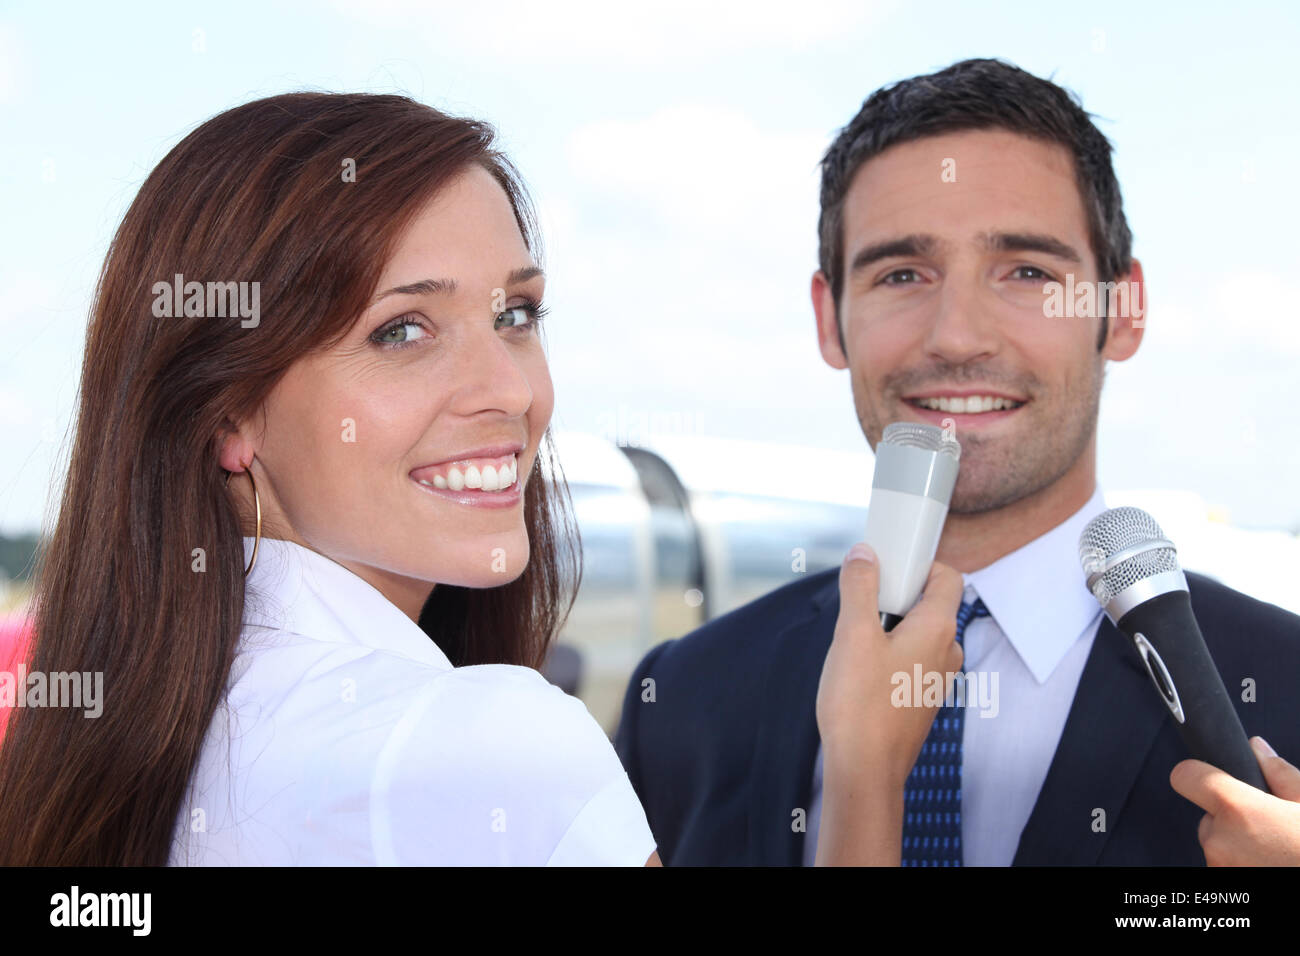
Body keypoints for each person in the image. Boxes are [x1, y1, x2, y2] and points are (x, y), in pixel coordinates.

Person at [0, 91, 962, 866]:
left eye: (517, 315)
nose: (510, 390)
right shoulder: (489, 746)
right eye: (402, 330)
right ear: (229, 416)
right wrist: (867, 771)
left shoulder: (145, 741)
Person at [615, 58, 1300, 866]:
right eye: (903, 274)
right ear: (829, 321)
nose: (957, 335)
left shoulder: (1285, 689)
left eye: (1027, 272)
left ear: (1121, 310)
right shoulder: (686, 698)